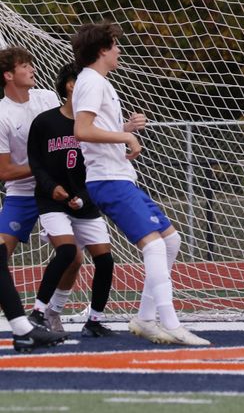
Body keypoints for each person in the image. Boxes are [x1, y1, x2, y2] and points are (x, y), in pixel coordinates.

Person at [71, 21, 209, 346]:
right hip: (107, 180)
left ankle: (147, 318)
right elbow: (82, 130)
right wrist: (125, 135)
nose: (119, 50)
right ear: (102, 50)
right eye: (115, 45)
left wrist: (123, 128)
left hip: (119, 176)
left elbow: (97, 131)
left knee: (171, 241)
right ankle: (171, 322)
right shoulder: (91, 81)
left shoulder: (99, 82)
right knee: (155, 244)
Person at [27, 62, 116, 337]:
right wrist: (51, 186)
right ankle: (38, 312)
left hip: (85, 201)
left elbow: (101, 163)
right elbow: (36, 162)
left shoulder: (95, 125)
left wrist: (84, 196)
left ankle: (94, 320)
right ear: (70, 85)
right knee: (67, 252)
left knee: (105, 259)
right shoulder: (45, 121)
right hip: (52, 200)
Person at [0, 46, 69, 352]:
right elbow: (4, 171)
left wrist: (121, 134)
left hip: (53, 190)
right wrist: (41, 165)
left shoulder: (46, 98)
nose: (32, 68)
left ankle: (47, 313)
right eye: (24, 65)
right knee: (2, 254)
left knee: (73, 255)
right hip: (23, 193)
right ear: (8, 75)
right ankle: (25, 327)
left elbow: (72, 132)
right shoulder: (2, 115)